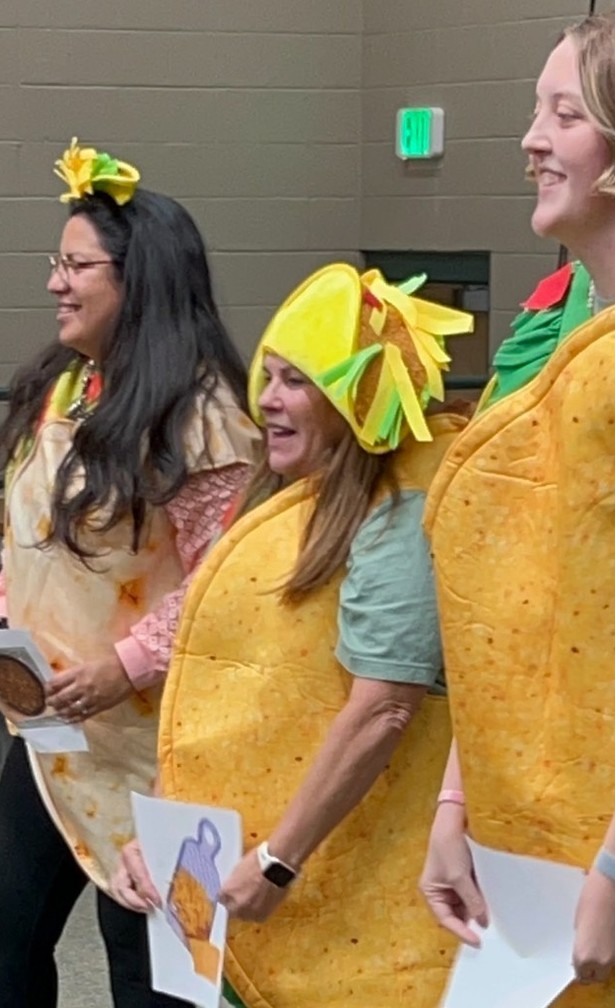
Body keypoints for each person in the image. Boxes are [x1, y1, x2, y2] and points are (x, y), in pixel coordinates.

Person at [421, 2, 615, 1005]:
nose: (529, 139)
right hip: (539, 840)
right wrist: (460, 799)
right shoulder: (569, 336)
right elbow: (519, 599)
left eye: (564, 114)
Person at [0, 138, 261, 1008]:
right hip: (52, 730)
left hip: (160, 743)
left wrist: (127, 663)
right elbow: (32, 539)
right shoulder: (65, 389)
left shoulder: (206, 416)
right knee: (6, 925)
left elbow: (225, 584)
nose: (56, 282)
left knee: (148, 960)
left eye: (77, 265)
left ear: (140, 281)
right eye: (57, 262)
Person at [112, 263, 473, 1007]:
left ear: (360, 396)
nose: (268, 399)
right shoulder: (285, 508)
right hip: (246, 866)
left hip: (349, 885)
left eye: (298, 381)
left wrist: (279, 859)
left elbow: (385, 708)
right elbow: (216, 692)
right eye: (269, 376)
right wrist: (162, 831)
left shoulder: (398, 519)